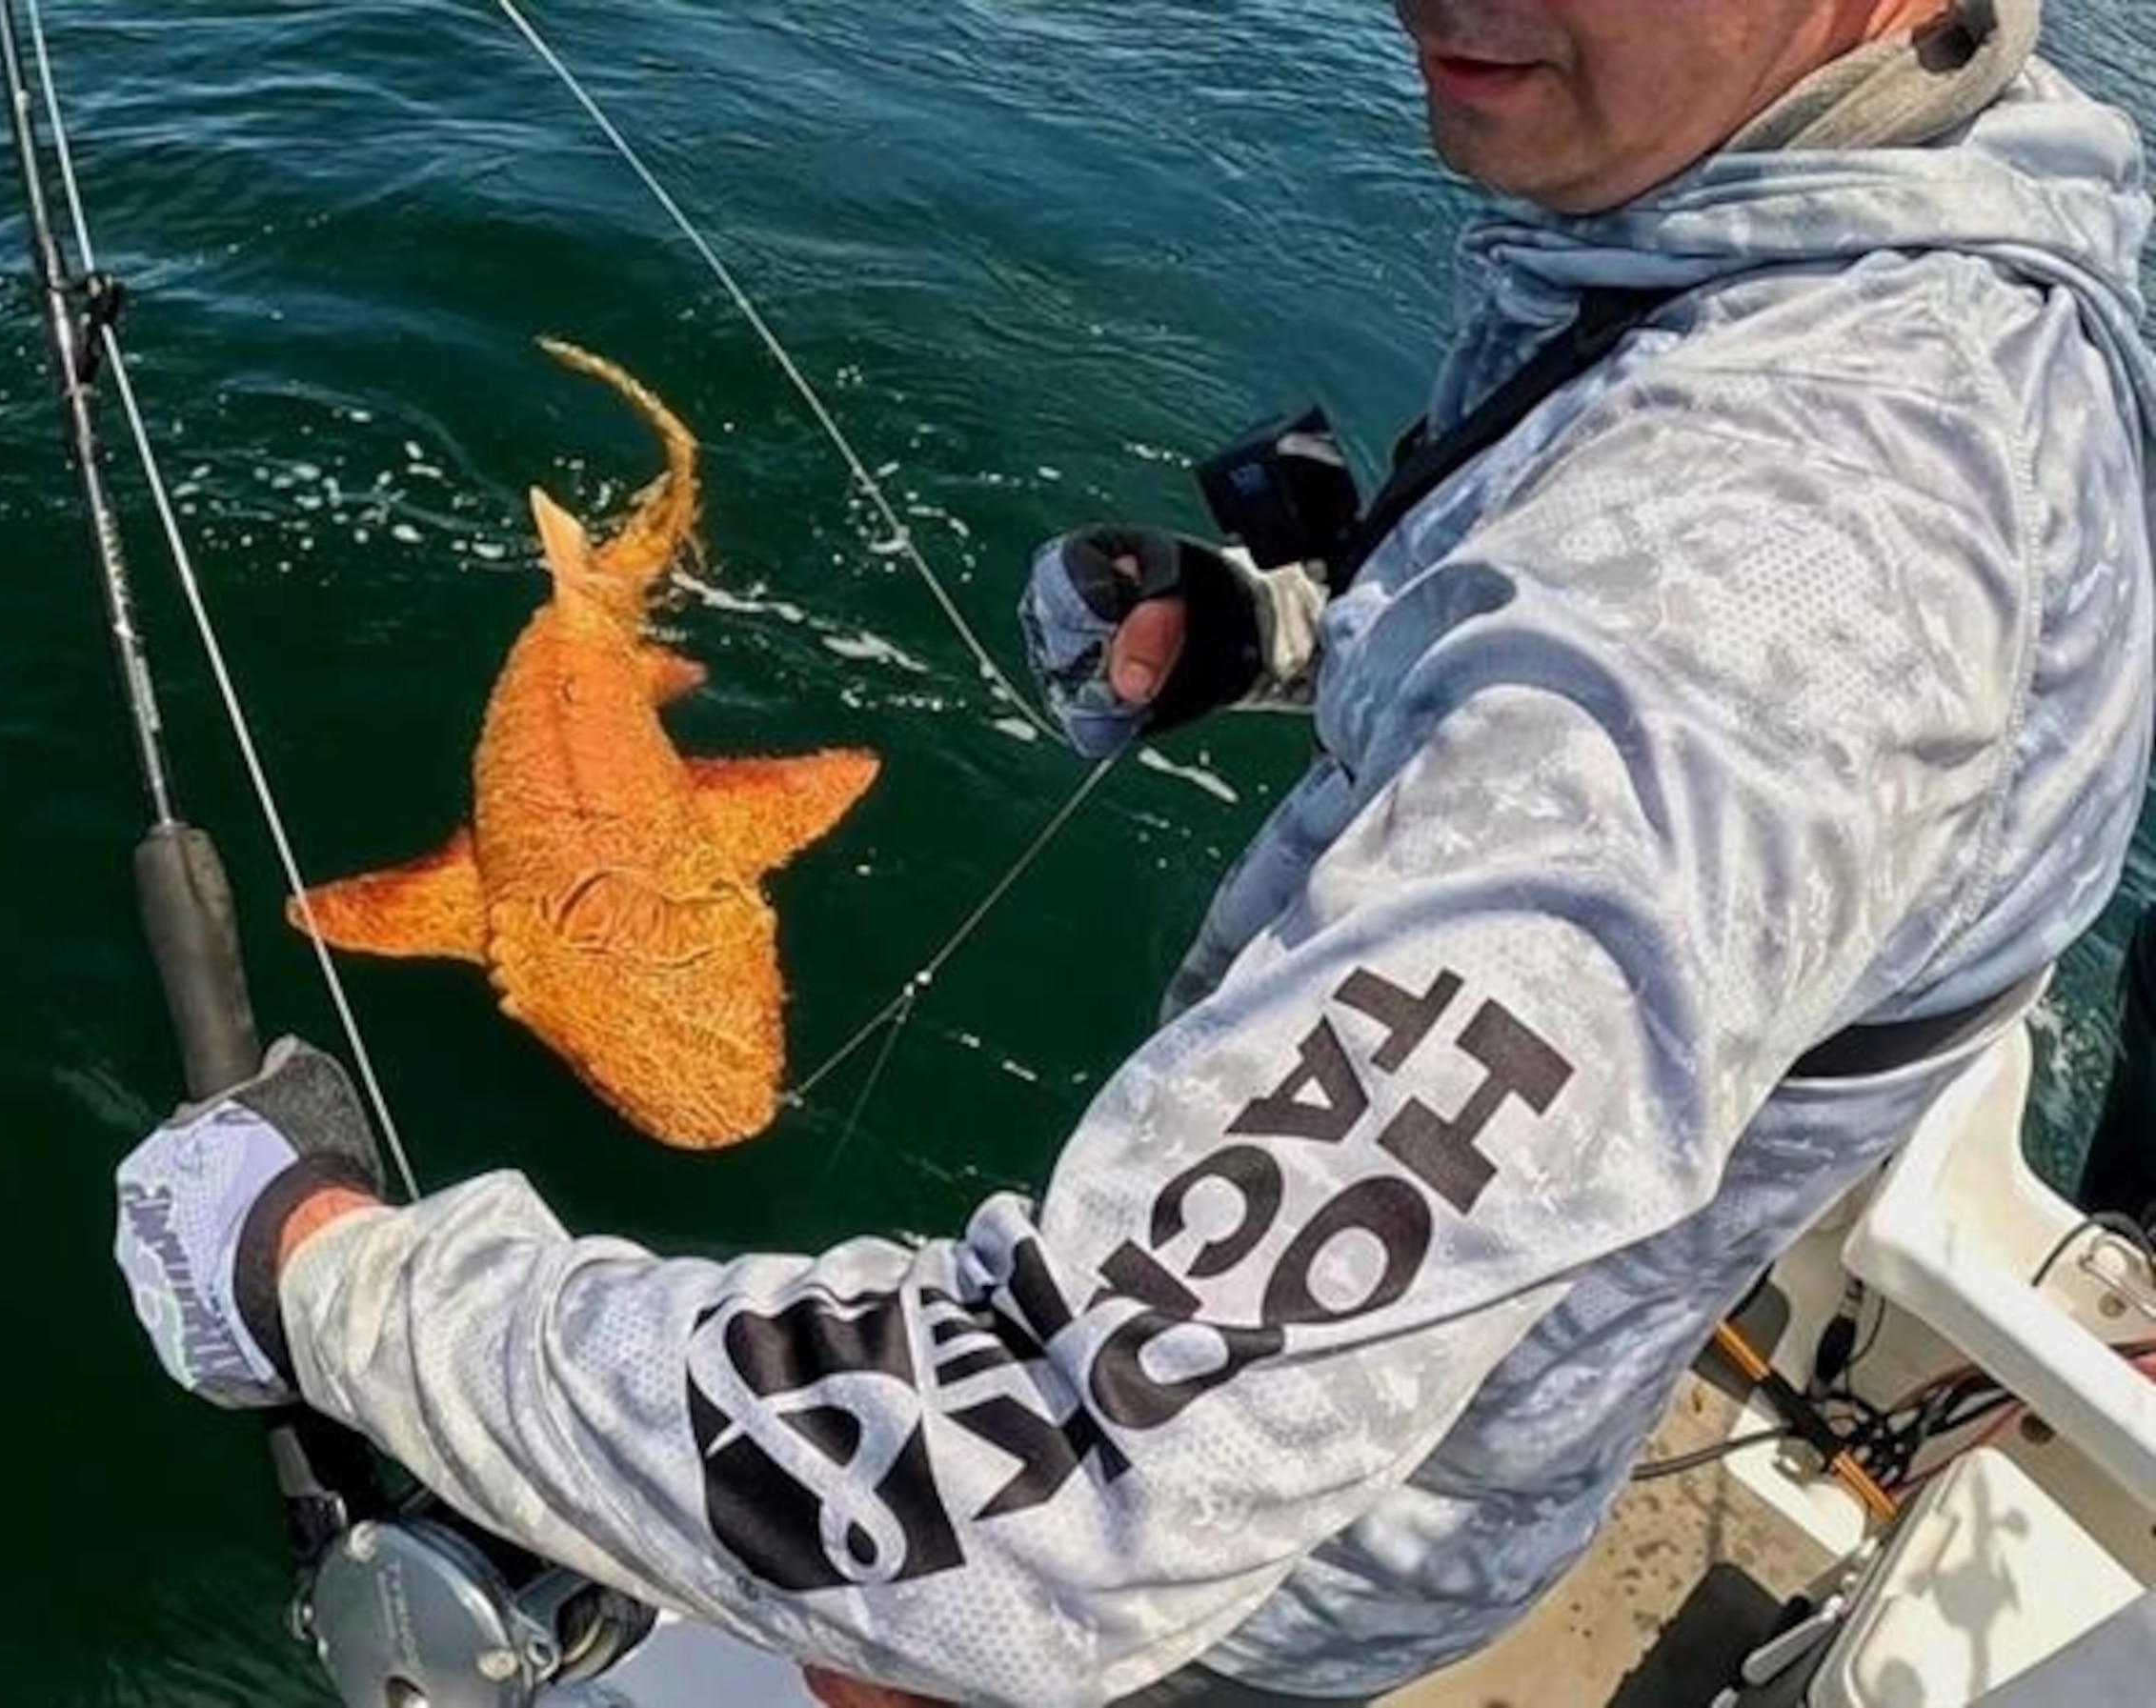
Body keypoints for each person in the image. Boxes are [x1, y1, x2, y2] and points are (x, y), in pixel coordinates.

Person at [109, 1, 2156, 1702]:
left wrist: (317, 1278)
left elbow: (1059, 1485)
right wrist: (1314, 635)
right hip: (1486, 1411)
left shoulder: (1764, 583)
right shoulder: (1948, 205)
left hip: (1283, 1581)